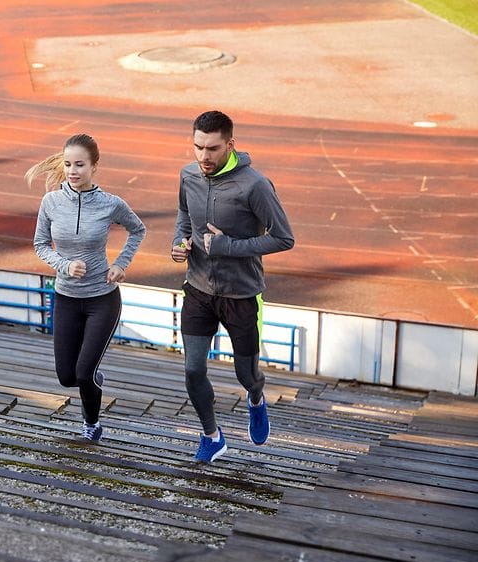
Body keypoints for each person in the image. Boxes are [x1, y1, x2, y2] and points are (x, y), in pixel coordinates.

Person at [171, 110, 295, 463]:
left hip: (241, 295)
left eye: (212, 148)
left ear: (230, 145)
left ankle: (256, 398)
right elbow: (183, 216)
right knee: (193, 369)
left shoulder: (255, 185)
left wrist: (229, 246)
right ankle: (212, 436)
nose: (203, 156)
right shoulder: (187, 175)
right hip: (197, 288)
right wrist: (179, 243)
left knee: (246, 374)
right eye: (197, 147)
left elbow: (284, 239)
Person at [29, 134, 147, 443]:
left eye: (80, 164)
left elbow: (138, 229)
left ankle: (91, 425)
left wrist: (121, 263)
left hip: (102, 300)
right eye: (68, 164)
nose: (72, 171)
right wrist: (64, 265)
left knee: (83, 374)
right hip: (66, 298)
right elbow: (40, 245)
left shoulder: (110, 204)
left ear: (94, 166)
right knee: (67, 377)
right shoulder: (50, 202)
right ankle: (91, 376)